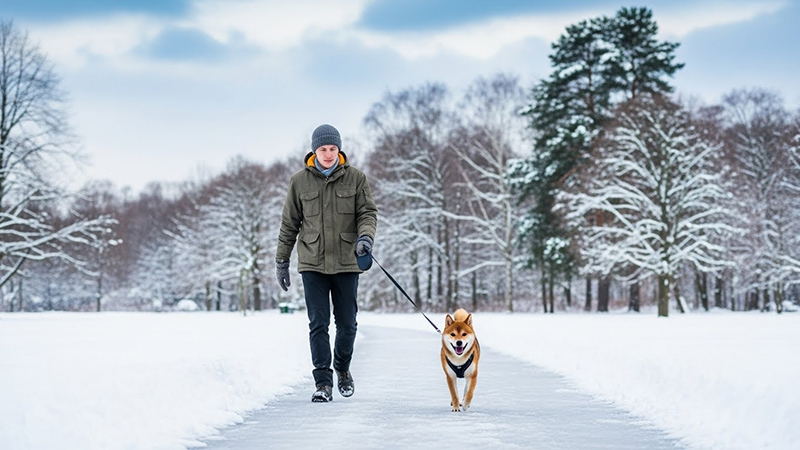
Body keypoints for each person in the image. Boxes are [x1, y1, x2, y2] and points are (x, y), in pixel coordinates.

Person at [275, 124, 378, 403]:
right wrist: (282, 260)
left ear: (339, 149)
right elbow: (289, 224)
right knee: (318, 324)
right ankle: (323, 382)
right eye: (323, 149)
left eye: (333, 148)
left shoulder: (356, 178)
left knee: (347, 324)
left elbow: (367, 213)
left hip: (347, 261)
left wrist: (365, 237)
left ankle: (342, 368)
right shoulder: (299, 182)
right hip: (312, 262)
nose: (329, 154)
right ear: (314, 151)